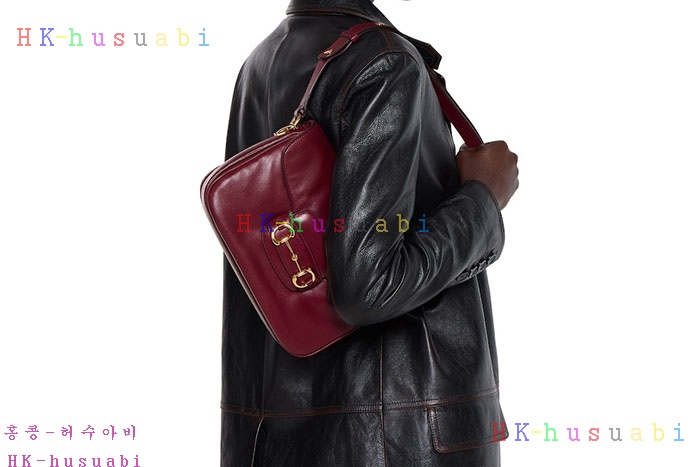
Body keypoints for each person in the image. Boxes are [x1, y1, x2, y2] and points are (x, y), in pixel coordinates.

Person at [221, 0, 519, 465]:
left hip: (279, 438)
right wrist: (483, 199)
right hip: (393, 437)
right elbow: (369, 286)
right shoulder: (382, 60)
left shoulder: (261, 63)